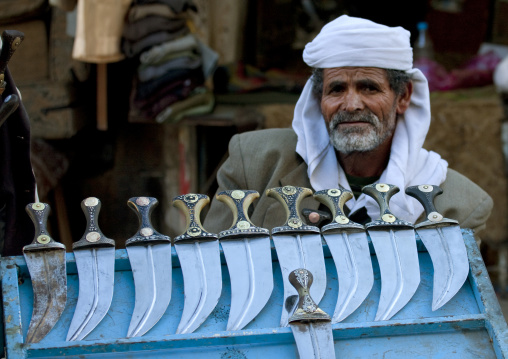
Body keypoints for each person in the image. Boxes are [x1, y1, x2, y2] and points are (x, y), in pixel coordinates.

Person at [203, 15, 493, 239]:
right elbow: (213, 273)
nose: (352, 104)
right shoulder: (253, 164)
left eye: (369, 88)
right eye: (337, 89)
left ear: (402, 96)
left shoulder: (459, 206)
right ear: (319, 99)